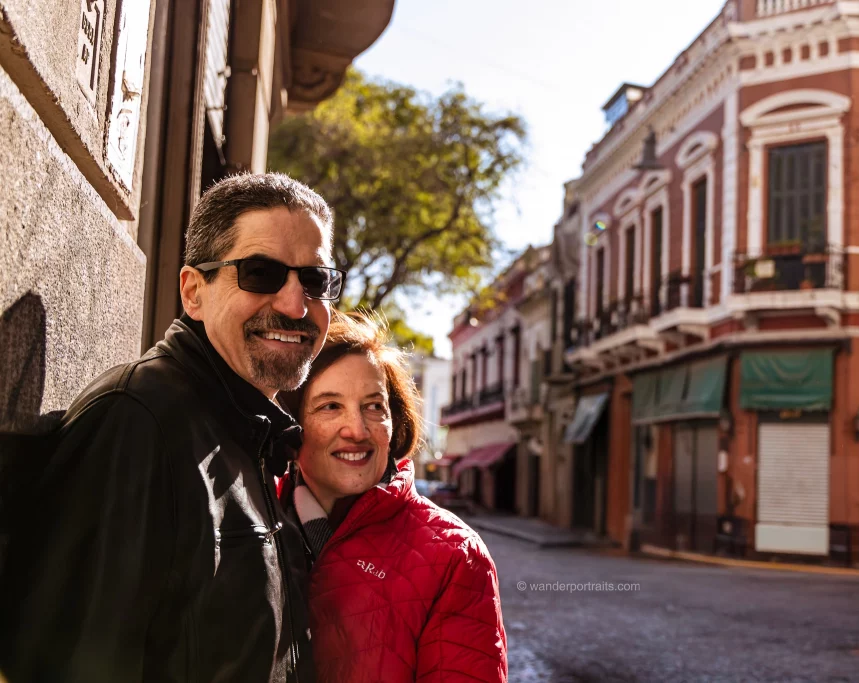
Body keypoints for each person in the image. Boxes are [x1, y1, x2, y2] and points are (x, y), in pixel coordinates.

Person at [0, 173, 342, 682]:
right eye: (260, 273)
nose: (296, 305)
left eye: (314, 280)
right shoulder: (137, 420)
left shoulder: (251, 434)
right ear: (193, 292)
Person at [279, 313, 507, 683]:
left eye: (374, 406)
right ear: (292, 425)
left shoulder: (454, 556)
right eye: (330, 406)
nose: (357, 430)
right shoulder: (250, 518)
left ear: (394, 422)